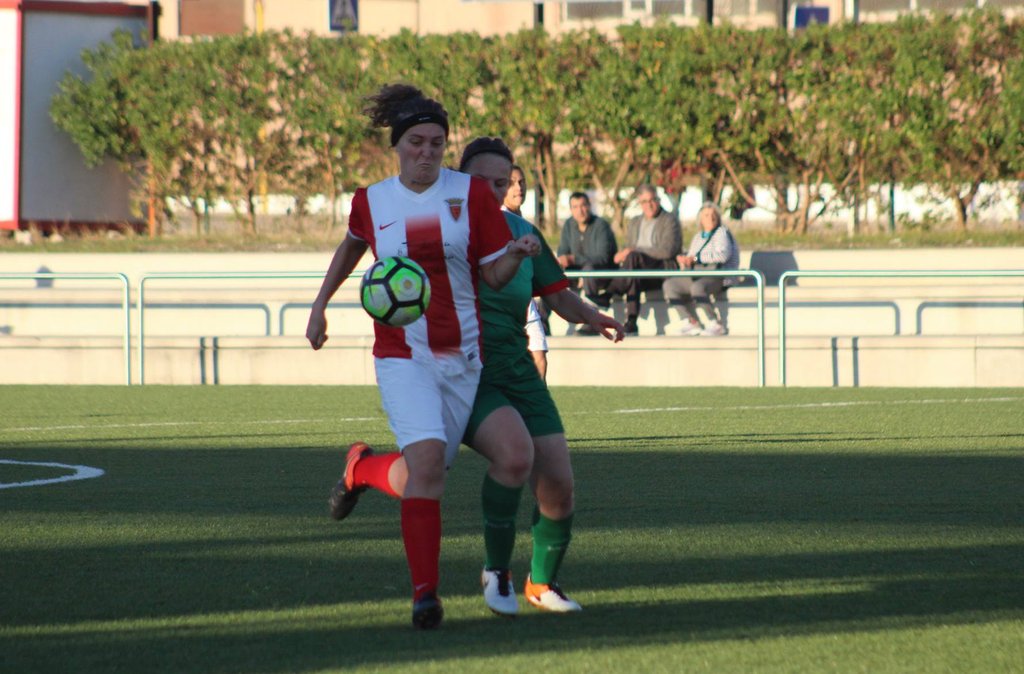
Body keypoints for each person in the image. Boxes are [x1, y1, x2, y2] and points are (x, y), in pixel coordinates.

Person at [327, 136, 625, 618]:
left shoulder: (523, 231)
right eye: (480, 180)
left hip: (518, 370)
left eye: (502, 182)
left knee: (558, 484)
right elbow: (379, 250)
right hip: (466, 368)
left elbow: (557, 295)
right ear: (460, 180)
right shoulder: (446, 227)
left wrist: (594, 316)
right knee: (480, 463)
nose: (491, 189)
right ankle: (495, 570)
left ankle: (541, 583)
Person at [306, 84, 539, 630]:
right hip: (402, 357)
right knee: (429, 467)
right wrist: (320, 305)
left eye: (436, 143)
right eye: (416, 142)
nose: (427, 152)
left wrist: (514, 255)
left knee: (425, 473)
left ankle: (361, 469)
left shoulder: (471, 195)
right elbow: (352, 244)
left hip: (464, 359)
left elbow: (493, 274)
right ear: (397, 146)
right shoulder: (372, 200)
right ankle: (425, 596)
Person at [592, 184, 681, 336]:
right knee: (633, 269)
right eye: (644, 201)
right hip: (638, 269)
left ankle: (609, 293)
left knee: (633, 259)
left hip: (661, 268)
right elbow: (629, 247)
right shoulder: (634, 222)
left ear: (658, 200)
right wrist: (622, 254)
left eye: (652, 200)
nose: (649, 205)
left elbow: (667, 251)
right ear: (640, 203)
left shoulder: (669, 220)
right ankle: (631, 321)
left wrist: (635, 251)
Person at [662, 201, 739, 336]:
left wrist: (697, 259)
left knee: (697, 288)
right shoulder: (698, 237)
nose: (711, 218)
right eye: (706, 215)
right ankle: (689, 320)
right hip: (698, 274)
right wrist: (685, 259)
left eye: (713, 215)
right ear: (701, 219)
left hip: (719, 275)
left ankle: (715, 322)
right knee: (670, 285)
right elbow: (692, 256)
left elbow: (722, 255)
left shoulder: (722, 233)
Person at [504, 164, 548, 378]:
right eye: (511, 183)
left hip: (526, 301)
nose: (518, 187)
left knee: (539, 358)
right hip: (504, 303)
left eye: (521, 182)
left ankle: (537, 400)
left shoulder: (523, 222)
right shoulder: (498, 220)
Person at [555, 192, 617, 335]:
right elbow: (562, 252)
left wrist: (575, 260)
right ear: (571, 210)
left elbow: (603, 258)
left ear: (589, 206)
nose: (580, 210)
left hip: (601, 274)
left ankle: (592, 323)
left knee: (589, 269)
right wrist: (564, 260)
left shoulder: (601, 225)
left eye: (583, 205)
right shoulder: (568, 225)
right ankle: (543, 319)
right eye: (575, 207)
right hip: (577, 274)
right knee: (551, 272)